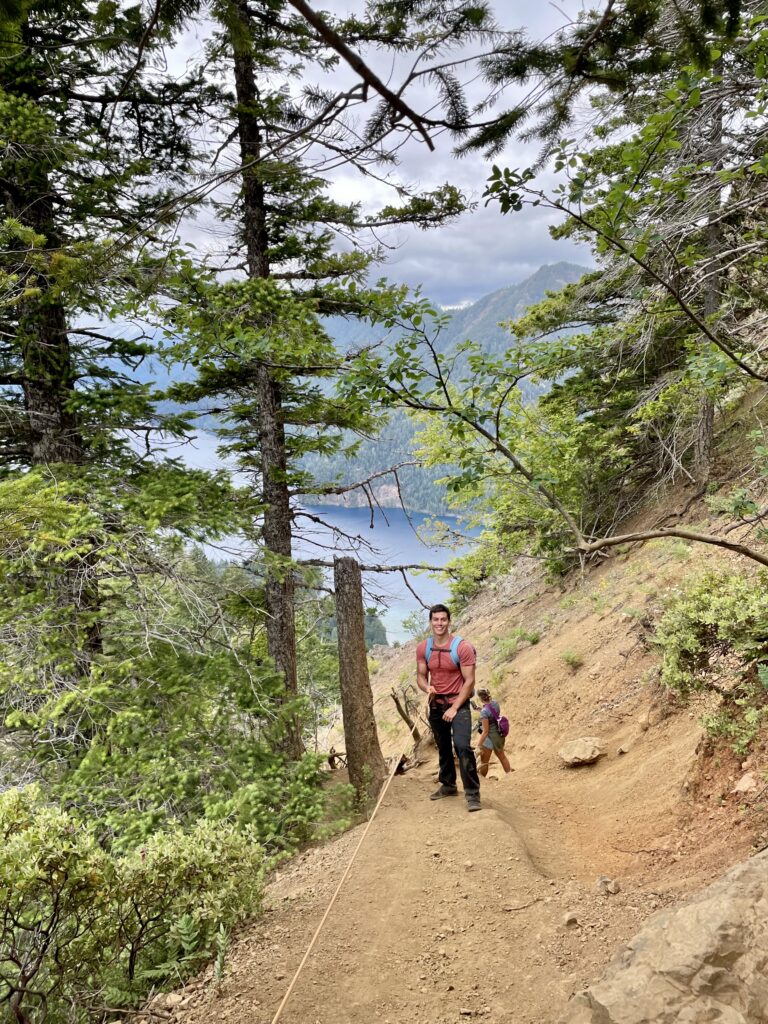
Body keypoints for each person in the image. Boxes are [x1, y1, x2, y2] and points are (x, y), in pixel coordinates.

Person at [416, 603, 482, 812]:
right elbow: (420, 676)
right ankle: (448, 784)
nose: (439, 623)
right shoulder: (423, 648)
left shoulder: (462, 647)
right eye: (436, 620)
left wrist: (454, 707)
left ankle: (472, 794)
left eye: (443, 619)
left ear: (449, 621)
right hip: (435, 704)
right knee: (442, 746)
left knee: (462, 746)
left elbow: (469, 681)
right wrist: (427, 687)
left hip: (459, 704)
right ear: (430, 622)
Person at [474, 687, 512, 777]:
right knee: (502, 757)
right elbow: (493, 714)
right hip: (499, 735)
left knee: (484, 762)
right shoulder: (495, 703)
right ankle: (510, 775)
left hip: (489, 739)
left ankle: (483, 781)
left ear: (480, 698)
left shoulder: (484, 712)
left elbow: (485, 731)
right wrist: (481, 710)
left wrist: (478, 746)